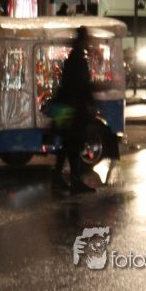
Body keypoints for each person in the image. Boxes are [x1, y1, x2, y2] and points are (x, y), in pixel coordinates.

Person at [50, 26, 96, 195]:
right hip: (74, 109)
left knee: (67, 143)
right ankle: (74, 180)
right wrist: (90, 101)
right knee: (74, 144)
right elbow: (82, 85)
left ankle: (59, 178)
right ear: (84, 40)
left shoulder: (72, 57)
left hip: (66, 107)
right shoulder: (78, 59)